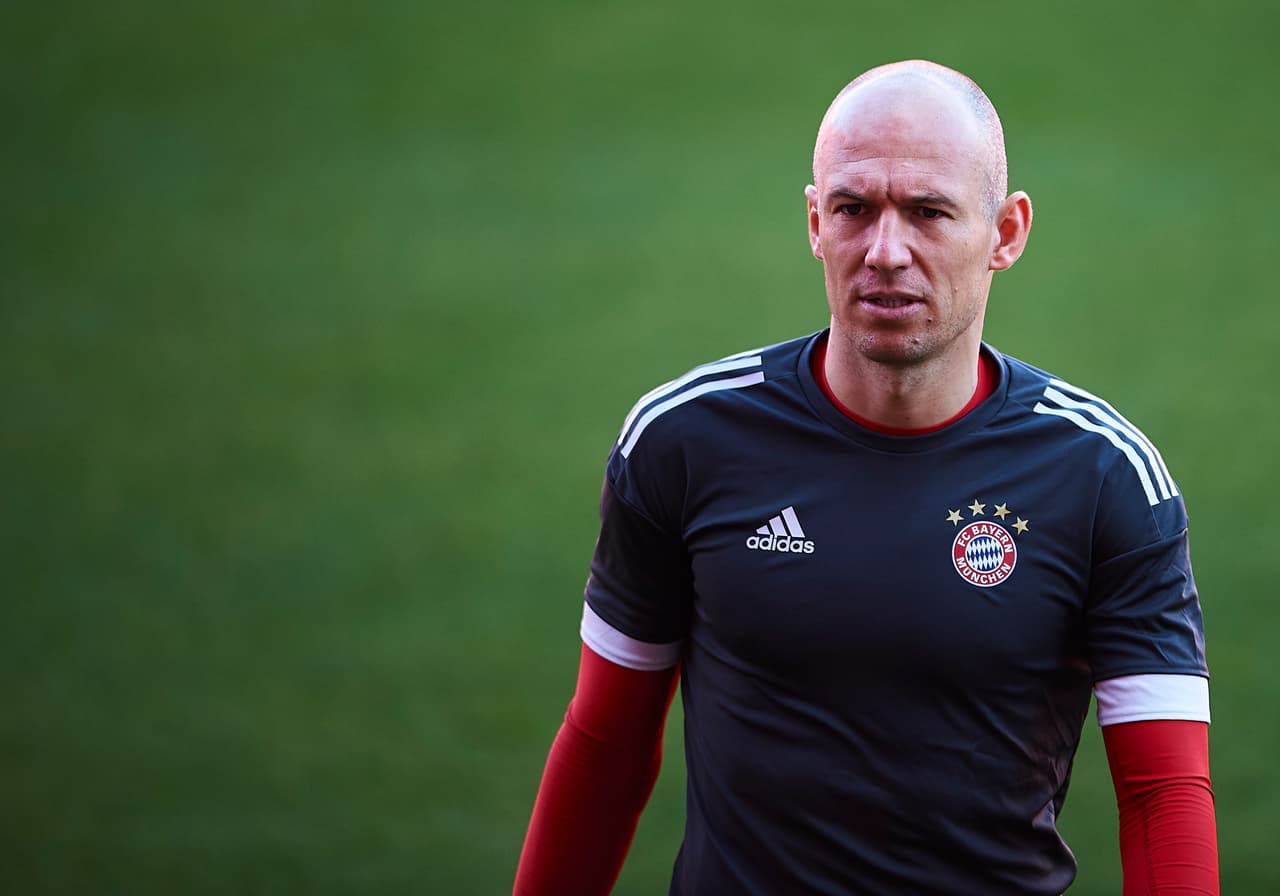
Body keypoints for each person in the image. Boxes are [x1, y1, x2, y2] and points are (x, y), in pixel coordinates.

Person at [513, 59, 1218, 894]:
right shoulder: (684, 439)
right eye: (854, 209)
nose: (886, 251)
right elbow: (607, 744)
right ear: (815, 222)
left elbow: (1161, 793)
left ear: (1006, 233)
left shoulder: (1105, 476)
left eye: (928, 212)